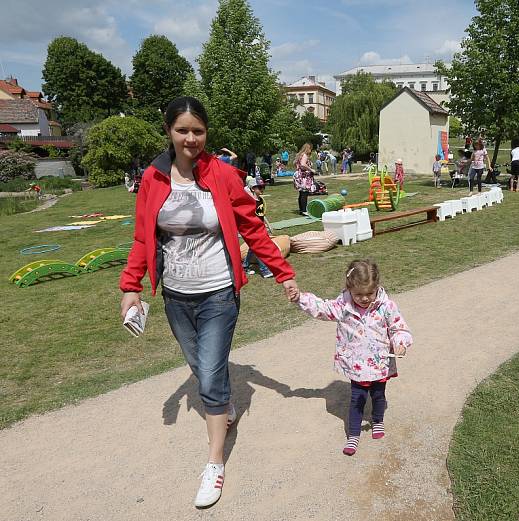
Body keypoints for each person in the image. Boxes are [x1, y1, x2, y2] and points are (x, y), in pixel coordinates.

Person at [119, 96, 299, 509]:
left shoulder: (222, 174)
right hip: (176, 296)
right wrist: (130, 286)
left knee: (212, 375)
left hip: (219, 292)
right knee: (200, 367)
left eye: (198, 131)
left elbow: (252, 228)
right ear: (168, 131)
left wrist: (283, 273)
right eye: (182, 130)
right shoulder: (153, 178)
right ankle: (224, 404)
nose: (191, 138)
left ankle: (214, 463)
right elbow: (143, 236)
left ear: (207, 133)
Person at [296, 259, 412, 456]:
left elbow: (398, 327)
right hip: (356, 365)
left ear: (377, 287)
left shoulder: (386, 306)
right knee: (356, 399)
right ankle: (354, 435)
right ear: (349, 289)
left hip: (379, 364)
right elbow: (322, 308)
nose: (364, 298)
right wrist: (299, 298)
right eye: (359, 294)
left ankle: (377, 421)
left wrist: (400, 341)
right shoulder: (343, 306)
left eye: (369, 293)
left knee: (378, 396)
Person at [242, 178, 274, 279]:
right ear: (252, 189)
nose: (262, 189)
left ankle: (244, 266)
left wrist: (267, 226)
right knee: (259, 248)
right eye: (259, 187)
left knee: (253, 248)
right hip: (252, 229)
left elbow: (262, 215)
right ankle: (264, 270)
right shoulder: (249, 201)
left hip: (260, 228)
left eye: (263, 187)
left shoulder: (261, 200)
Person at [293, 143, 316, 215]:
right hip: (304, 176)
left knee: (301, 193)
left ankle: (301, 210)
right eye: (310, 149)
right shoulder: (304, 155)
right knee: (304, 193)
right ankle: (304, 210)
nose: (310, 151)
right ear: (308, 148)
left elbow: (296, 164)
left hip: (299, 175)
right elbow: (303, 164)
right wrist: (311, 169)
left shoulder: (299, 155)